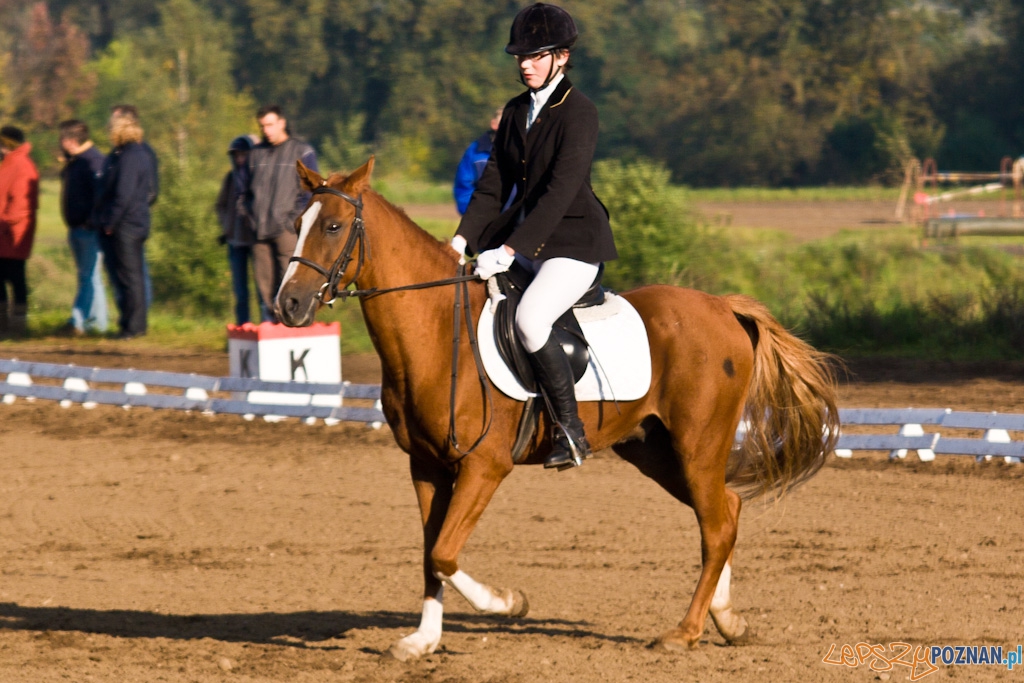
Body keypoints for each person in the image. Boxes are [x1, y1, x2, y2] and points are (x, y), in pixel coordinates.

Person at [452, 3, 618, 470]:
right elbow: (493, 187)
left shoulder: (579, 112)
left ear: (561, 57)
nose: (524, 64)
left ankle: (571, 431)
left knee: (529, 320)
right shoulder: (514, 110)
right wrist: (461, 242)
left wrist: (508, 250)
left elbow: (561, 192)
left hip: (572, 243)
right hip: (526, 241)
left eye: (536, 55)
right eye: (520, 57)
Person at [247, 104, 318, 323]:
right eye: (262, 126)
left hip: (286, 230)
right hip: (258, 231)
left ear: (281, 123)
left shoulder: (301, 151)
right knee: (264, 287)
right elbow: (242, 191)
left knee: (289, 282)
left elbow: (312, 190)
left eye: (270, 124)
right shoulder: (255, 154)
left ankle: (293, 327)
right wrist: (249, 216)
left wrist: (292, 220)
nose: (266, 130)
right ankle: (270, 329)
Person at [92, 104, 159, 340]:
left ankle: (135, 326)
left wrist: (109, 222)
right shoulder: (123, 155)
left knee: (131, 278)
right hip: (126, 223)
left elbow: (124, 194)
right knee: (125, 278)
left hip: (126, 226)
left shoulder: (132, 156)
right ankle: (128, 324)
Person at [58, 119, 108, 336]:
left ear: (71, 140)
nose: (60, 143)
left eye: (62, 138)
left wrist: (91, 221)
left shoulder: (93, 161)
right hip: (77, 227)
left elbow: (100, 195)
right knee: (90, 276)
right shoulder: (77, 161)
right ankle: (98, 323)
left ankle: (78, 321)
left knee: (88, 275)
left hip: (88, 229)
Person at [216, 134, 266, 325]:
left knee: (263, 288)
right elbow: (220, 205)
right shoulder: (231, 178)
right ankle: (243, 328)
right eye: (236, 155)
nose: (239, 159)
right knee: (240, 291)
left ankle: (266, 327)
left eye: (243, 154)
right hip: (235, 241)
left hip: (256, 239)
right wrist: (226, 225)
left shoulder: (258, 176)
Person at [0, 126, 40, 338]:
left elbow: (20, 204)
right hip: (5, 231)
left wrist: (4, 224)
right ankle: (4, 325)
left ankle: (16, 327)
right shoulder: (10, 163)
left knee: (16, 277)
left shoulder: (21, 166)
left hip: (12, 234)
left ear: (7, 144)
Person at [453, 107, 504, 215]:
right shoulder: (475, 152)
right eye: (503, 122)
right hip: (483, 218)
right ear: (494, 124)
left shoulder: (525, 150)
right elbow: (464, 187)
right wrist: (474, 215)